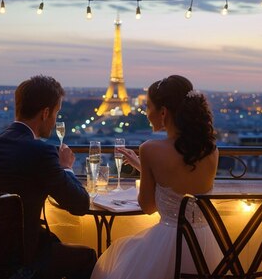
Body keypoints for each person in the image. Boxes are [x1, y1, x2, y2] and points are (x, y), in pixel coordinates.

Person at [90, 75, 221, 279]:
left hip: (169, 242)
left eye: (148, 106)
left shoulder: (150, 149)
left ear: (163, 112)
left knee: (116, 256)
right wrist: (144, 167)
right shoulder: (211, 150)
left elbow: (148, 207)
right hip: (204, 246)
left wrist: (147, 167)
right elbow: (182, 176)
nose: (146, 113)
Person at [0, 75, 96, 279]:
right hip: (19, 259)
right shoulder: (41, 152)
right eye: (56, 113)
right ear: (45, 113)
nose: (54, 121)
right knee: (87, 257)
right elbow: (80, 204)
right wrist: (67, 168)